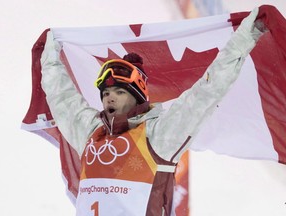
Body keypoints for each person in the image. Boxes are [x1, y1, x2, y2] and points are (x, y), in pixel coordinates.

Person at [40, 7, 264, 216]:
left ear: (136, 97)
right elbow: (62, 98)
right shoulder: (91, 133)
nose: (109, 96)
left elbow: (206, 92)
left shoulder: (158, 135)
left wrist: (244, 38)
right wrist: (49, 57)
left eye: (119, 91)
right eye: (106, 92)